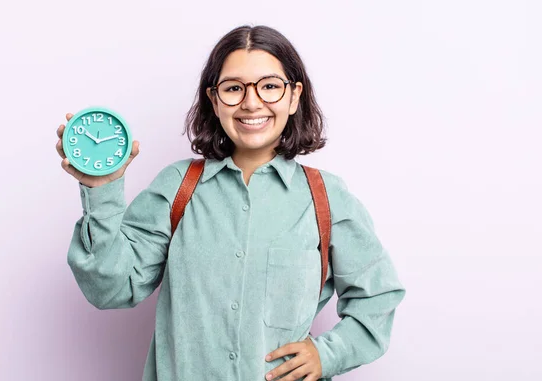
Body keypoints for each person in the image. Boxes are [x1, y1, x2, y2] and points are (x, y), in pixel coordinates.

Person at [56, 25, 405, 381]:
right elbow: (111, 288)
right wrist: (101, 188)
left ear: (294, 95)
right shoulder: (178, 188)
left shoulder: (327, 198)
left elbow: (377, 296)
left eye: (269, 86)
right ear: (214, 99)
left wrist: (329, 354)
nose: (251, 103)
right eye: (234, 88)